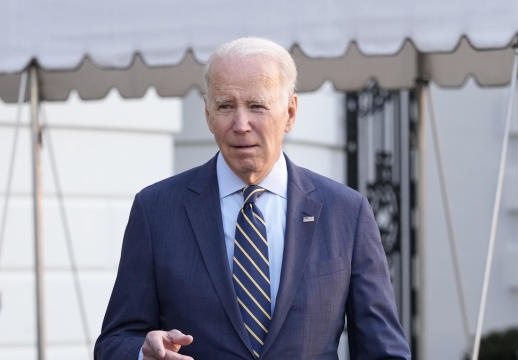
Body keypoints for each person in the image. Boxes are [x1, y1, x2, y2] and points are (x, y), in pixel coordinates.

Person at [94, 37, 410, 360]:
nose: (241, 125)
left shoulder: (346, 214)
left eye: (257, 106)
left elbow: (384, 351)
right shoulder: (156, 212)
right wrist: (141, 354)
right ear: (207, 112)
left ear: (290, 112)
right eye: (226, 106)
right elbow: (113, 342)